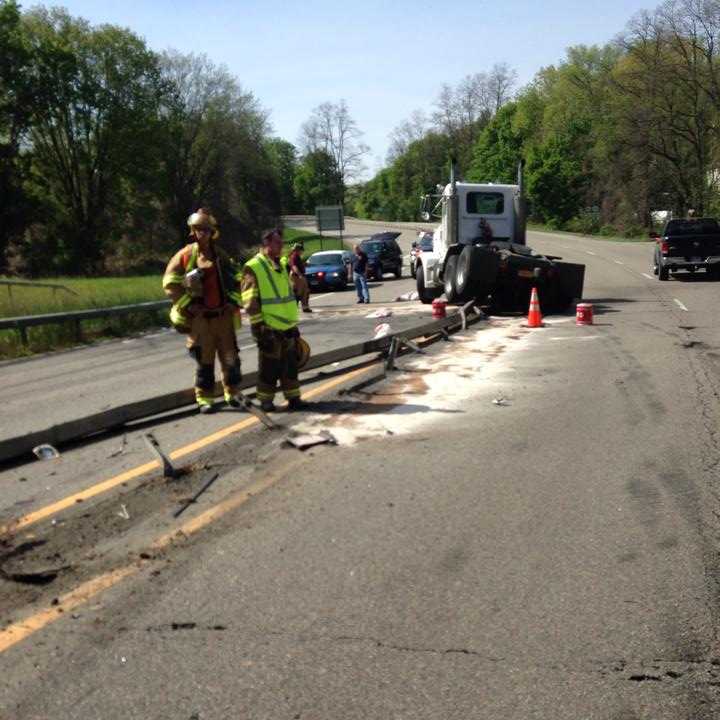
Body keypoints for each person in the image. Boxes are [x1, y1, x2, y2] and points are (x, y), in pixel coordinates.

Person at [162, 209, 244, 414]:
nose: (203, 234)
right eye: (199, 229)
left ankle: (232, 393)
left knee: (230, 359)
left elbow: (237, 280)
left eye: (207, 230)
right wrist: (189, 305)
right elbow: (170, 283)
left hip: (223, 317)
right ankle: (205, 398)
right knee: (204, 362)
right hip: (200, 321)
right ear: (193, 231)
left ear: (212, 232)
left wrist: (234, 302)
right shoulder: (185, 255)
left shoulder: (220, 255)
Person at [241, 228, 307, 412]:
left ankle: (294, 399)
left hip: (287, 325)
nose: (281, 246)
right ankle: (266, 401)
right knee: (269, 367)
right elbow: (249, 301)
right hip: (268, 327)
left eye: (281, 243)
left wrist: (293, 324)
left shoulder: (280, 265)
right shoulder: (254, 266)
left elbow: (286, 295)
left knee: (290, 366)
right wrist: (259, 327)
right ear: (267, 244)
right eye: (278, 243)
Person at [287, 243, 312, 313]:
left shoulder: (297, 257)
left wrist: (304, 265)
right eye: (301, 250)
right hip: (296, 276)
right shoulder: (294, 257)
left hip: (300, 275)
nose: (302, 252)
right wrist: (300, 275)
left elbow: (298, 265)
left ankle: (305, 307)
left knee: (305, 292)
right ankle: (294, 307)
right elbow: (294, 267)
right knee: (298, 292)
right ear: (298, 250)